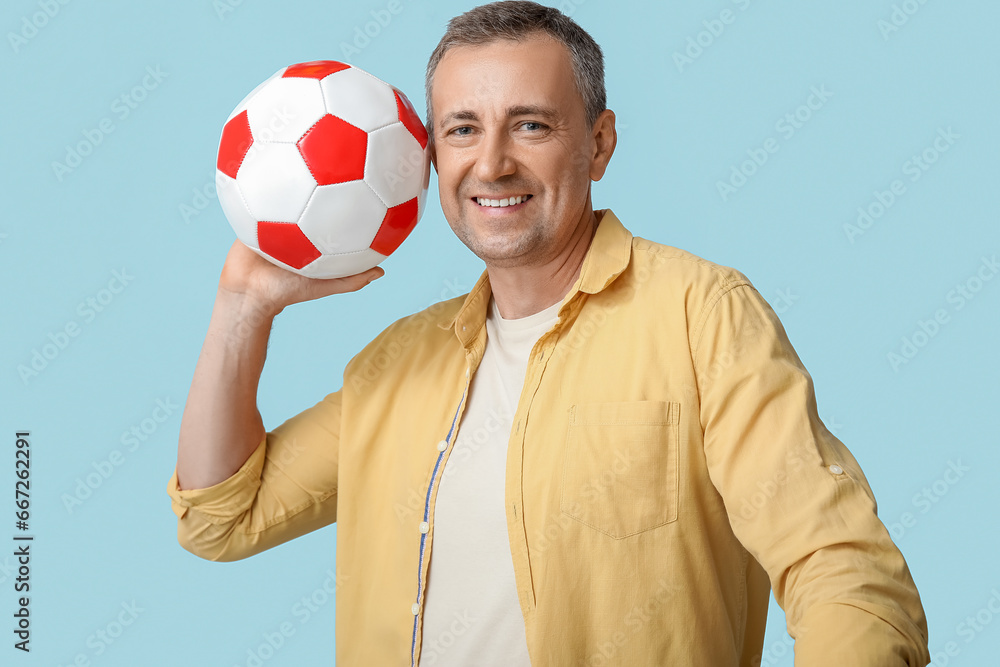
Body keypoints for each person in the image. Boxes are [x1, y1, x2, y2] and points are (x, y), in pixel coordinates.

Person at [167, 2, 930, 665]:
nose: (492, 163)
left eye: (530, 125)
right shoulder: (396, 363)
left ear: (598, 143)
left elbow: (840, 566)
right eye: (462, 129)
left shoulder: (701, 313)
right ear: (430, 159)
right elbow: (218, 516)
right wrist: (244, 304)